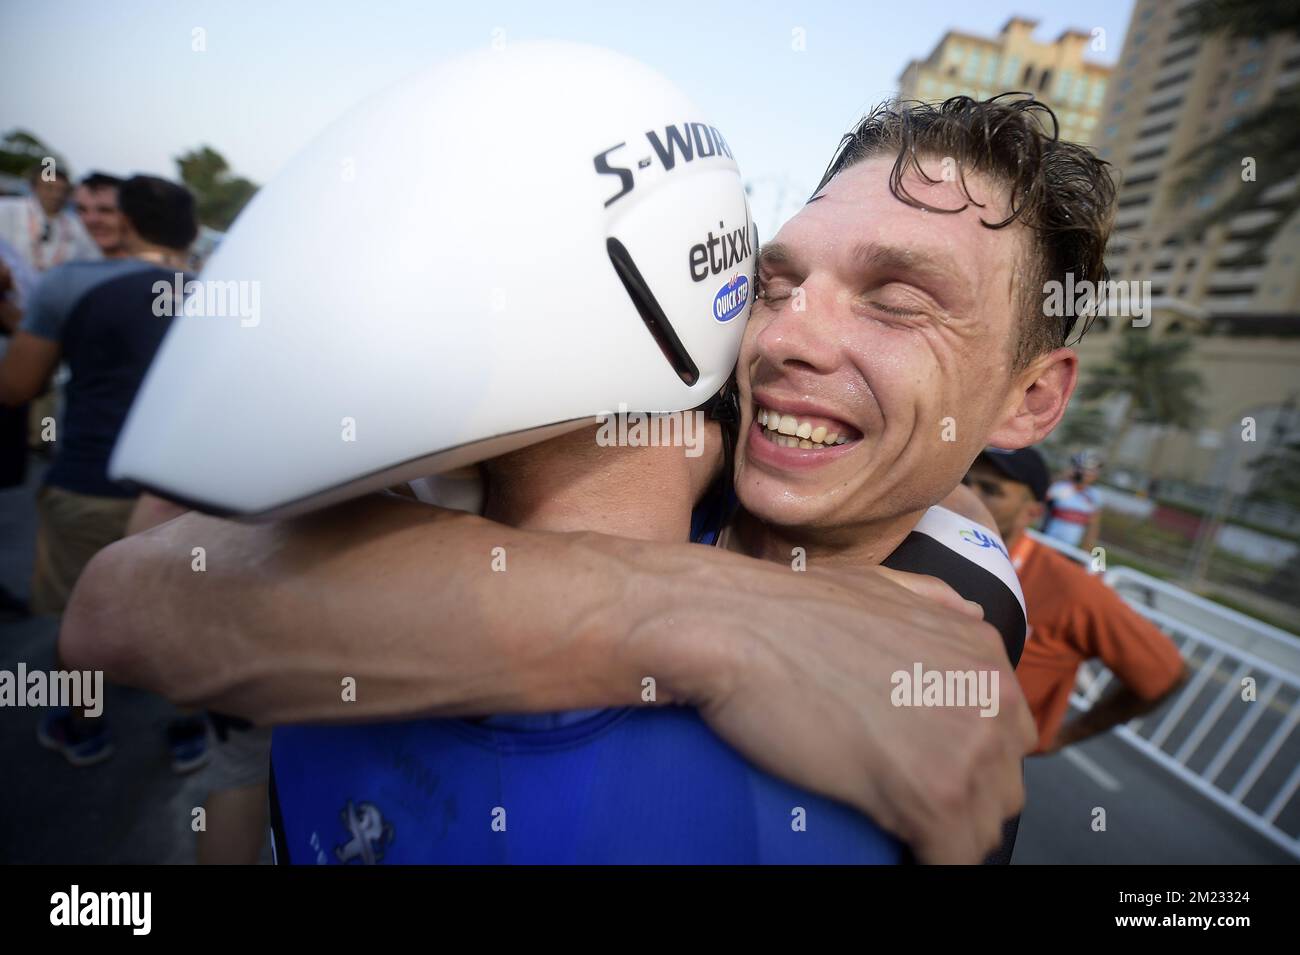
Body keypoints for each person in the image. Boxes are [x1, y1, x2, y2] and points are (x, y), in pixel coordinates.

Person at [64, 72, 1116, 861]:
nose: (786, 338)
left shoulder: (955, 603)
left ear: (1031, 397)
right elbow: (130, 603)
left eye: (896, 300)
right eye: (775, 280)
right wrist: (718, 618)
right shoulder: (663, 427)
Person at [0, 174, 209, 770]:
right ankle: (188, 727)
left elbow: (17, 387)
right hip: (188, 494)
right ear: (193, 232)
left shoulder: (70, 284)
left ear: (129, 222)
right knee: (178, 613)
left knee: (79, 618)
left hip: (89, 481)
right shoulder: (217, 296)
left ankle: (84, 727)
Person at [963, 447, 1188, 754]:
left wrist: (1065, 736)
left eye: (991, 490)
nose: (966, 496)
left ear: (1031, 511)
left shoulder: (1072, 590)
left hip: (977, 769)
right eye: (964, 481)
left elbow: (1166, 674)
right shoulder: (919, 538)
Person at [0, 165, 99, 274]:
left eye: (62, 190)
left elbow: (92, 259)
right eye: (49, 188)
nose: (56, 195)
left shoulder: (77, 225)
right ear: (34, 187)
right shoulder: (7, 209)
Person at [1042, 449, 1104, 550]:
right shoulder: (1061, 487)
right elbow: (1040, 497)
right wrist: (1063, 476)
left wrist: (1087, 548)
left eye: (1091, 471)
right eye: (1083, 469)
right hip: (1047, 541)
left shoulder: (1095, 495)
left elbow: (1093, 525)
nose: (1086, 474)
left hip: (1069, 548)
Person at [73, 172, 128, 259]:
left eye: (105, 210)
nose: (91, 219)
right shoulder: (71, 265)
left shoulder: (150, 268)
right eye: (82, 210)